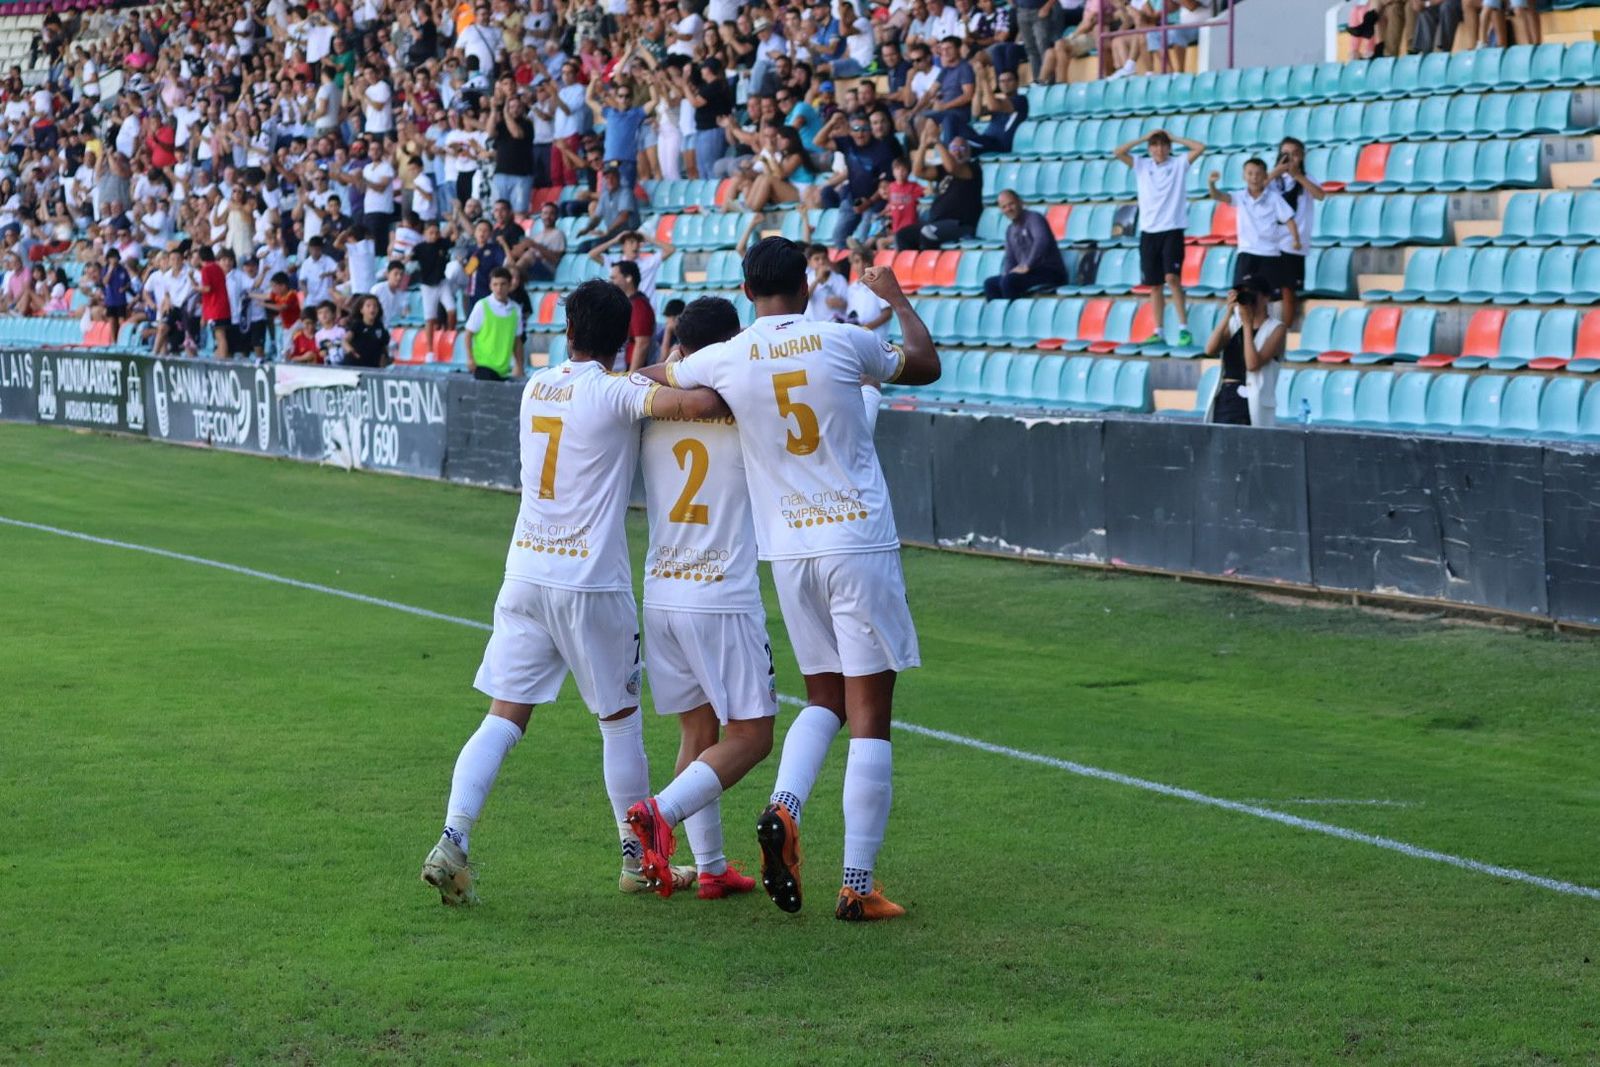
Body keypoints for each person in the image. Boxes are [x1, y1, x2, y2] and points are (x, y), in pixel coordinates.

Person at [642, 238, 941, 922]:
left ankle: (786, 807)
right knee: (870, 715)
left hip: (791, 554)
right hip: (857, 542)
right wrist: (894, 299)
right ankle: (856, 880)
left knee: (824, 699)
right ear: (807, 286)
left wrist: (638, 374)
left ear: (748, 292)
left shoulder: (728, 354)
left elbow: (664, 373)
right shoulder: (839, 340)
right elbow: (924, 362)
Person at [419, 278, 731, 907]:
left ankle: (453, 838)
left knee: (503, 717)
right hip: (590, 581)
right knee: (618, 722)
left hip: (526, 572)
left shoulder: (537, 385)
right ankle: (636, 859)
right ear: (624, 341)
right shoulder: (618, 393)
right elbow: (699, 405)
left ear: (566, 332)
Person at [624, 296, 775, 900]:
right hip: (721, 592)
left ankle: (711, 869)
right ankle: (659, 813)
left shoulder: (651, 408)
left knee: (698, 730)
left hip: (662, 590)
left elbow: (657, 373)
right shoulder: (744, 404)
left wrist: (672, 356)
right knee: (753, 735)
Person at [1115, 128, 1206, 347]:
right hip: (1149, 232)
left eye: (1163, 145)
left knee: (1172, 279)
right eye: (1155, 145)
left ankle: (1184, 329)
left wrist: (1173, 137)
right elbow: (1118, 152)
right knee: (1154, 285)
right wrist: (1144, 137)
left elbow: (1200, 148)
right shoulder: (1142, 165)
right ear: (1149, 148)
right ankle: (1159, 331)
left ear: (1169, 147)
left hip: (1172, 230)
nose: (1159, 149)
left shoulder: (1178, 164)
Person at [1203, 279, 1285, 427]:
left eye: (1253, 292)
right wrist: (1228, 312)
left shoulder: (1276, 328)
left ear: (1266, 297)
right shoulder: (1235, 323)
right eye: (1243, 292)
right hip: (1227, 394)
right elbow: (1210, 349)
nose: (1248, 297)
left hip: (1252, 399)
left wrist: (1248, 325)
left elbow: (1252, 364)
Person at [1209, 158, 1299, 291]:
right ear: (1244, 176)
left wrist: (1296, 239)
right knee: (1242, 295)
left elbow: (1289, 219)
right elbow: (1217, 196)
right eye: (1250, 173)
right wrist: (1211, 184)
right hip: (1247, 252)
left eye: (1258, 173)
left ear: (1265, 176)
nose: (1254, 177)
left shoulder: (1274, 198)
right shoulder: (1239, 196)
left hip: (1270, 253)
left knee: (1269, 298)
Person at [896, 126, 983, 250]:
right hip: (937, 223)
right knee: (903, 235)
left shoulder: (972, 168)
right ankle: (912, 268)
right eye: (954, 148)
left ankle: (928, 267)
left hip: (960, 225)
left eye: (962, 148)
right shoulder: (943, 169)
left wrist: (937, 142)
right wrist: (923, 145)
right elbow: (918, 171)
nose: (957, 151)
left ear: (969, 152)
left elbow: (952, 168)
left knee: (928, 232)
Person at [1268, 138, 1324, 328]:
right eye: (1285, 153)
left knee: (1288, 292)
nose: (1290, 157)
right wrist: (1277, 171)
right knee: (1271, 293)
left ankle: (1282, 333)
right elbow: (1255, 189)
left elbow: (1320, 195)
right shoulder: (1273, 180)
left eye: (1294, 154)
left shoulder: (1307, 177)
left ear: (1301, 156)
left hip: (1294, 243)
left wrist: (1297, 175)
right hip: (1272, 242)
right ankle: (1270, 332)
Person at [983, 190, 1068, 299]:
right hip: (1028, 273)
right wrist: (1007, 273)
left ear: (1020, 202)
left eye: (1011, 204)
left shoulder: (1034, 218)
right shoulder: (1010, 230)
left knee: (1009, 282)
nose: (1008, 209)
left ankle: (1014, 315)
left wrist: (1028, 265)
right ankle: (1001, 314)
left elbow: (1042, 241)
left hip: (1049, 271)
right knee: (990, 284)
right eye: (1004, 207)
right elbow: (1010, 258)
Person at [464, 267, 526, 381]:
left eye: (503, 284)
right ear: (490, 285)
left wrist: (519, 365)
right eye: (495, 284)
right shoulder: (482, 306)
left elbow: (517, 341)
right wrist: (470, 359)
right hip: (483, 366)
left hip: (503, 370)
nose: (499, 288)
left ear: (509, 285)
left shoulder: (516, 310)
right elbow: (468, 334)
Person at [612, 259, 656, 371]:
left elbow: (642, 343)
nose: (612, 281)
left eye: (614, 277)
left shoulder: (638, 305)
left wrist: (631, 376)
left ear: (628, 278)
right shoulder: (631, 303)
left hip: (635, 369)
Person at [846, 248, 893, 340]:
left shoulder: (878, 284)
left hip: (878, 337)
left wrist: (866, 328)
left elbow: (887, 313)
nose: (858, 266)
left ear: (869, 263)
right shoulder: (851, 288)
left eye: (862, 261)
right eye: (855, 262)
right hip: (859, 337)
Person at [343, 293, 392, 368]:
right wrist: (350, 350)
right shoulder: (357, 324)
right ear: (361, 310)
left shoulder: (380, 327)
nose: (372, 309)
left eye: (375, 306)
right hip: (354, 365)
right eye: (368, 306)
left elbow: (383, 349)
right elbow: (345, 340)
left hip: (372, 367)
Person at [806, 243, 849, 322]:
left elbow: (849, 305)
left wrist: (841, 304)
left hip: (835, 325)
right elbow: (804, 298)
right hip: (814, 326)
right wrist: (818, 279)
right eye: (817, 259)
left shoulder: (840, 279)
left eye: (824, 258)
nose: (821, 262)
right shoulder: (806, 278)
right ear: (809, 262)